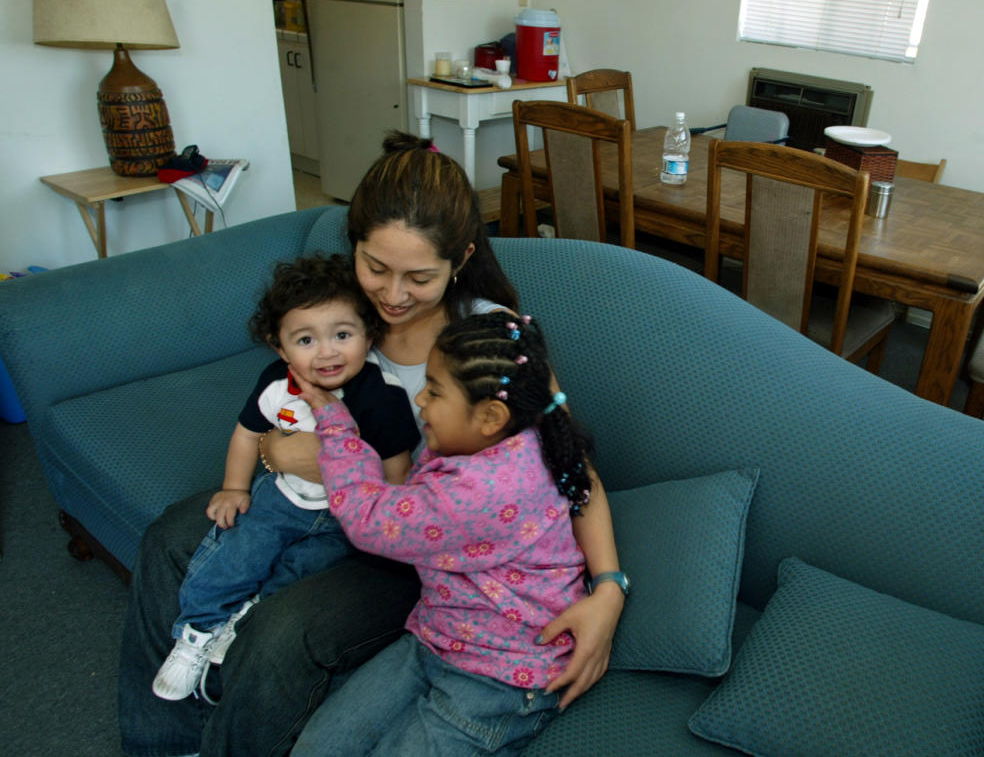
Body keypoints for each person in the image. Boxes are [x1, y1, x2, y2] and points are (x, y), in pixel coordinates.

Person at [119, 132, 626, 757]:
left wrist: (608, 589)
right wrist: (276, 451)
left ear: (461, 258)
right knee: (172, 534)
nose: (390, 295)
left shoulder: (491, 339)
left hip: (420, 551)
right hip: (311, 504)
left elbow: (570, 464)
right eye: (375, 267)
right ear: (353, 246)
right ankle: (164, 742)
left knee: (285, 630)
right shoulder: (338, 311)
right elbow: (279, 394)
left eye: (419, 277)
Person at [292, 312, 594, 756]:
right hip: (438, 635)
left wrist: (335, 423)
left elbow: (365, 516)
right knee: (319, 747)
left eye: (434, 391)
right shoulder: (527, 428)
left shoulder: (474, 495)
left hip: (501, 677)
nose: (420, 400)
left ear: (491, 415)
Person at [152, 254, 418, 703]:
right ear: (281, 347)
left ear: (368, 335)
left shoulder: (380, 394)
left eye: (343, 335)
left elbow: (397, 466)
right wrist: (234, 487)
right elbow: (246, 433)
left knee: (298, 573)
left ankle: (243, 625)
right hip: (282, 497)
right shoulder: (277, 382)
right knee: (237, 554)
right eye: (306, 340)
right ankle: (196, 632)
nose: (328, 352)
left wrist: (384, 524)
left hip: (342, 518)